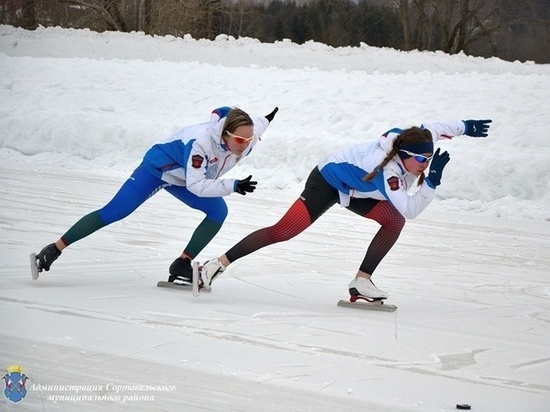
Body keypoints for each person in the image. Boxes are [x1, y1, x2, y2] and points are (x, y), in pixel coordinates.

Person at [199, 119, 492, 300]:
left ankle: (361, 282)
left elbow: (437, 127)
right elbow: (412, 209)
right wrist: (433, 183)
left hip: (356, 190)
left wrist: (466, 126)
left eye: (429, 158)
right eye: (421, 159)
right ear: (402, 156)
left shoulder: (415, 139)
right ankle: (215, 264)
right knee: (283, 232)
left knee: (393, 221)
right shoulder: (387, 174)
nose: (425, 164)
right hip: (326, 181)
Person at [32, 106, 279, 283]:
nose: (245, 144)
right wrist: (233, 185)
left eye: (250, 139)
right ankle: (54, 248)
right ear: (225, 134)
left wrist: (268, 118)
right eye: (240, 139)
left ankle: (182, 263)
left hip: (185, 177)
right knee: (114, 212)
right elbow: (197, 186)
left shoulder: (247, 137)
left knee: (218, 212)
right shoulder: (200, 144)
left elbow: (259, 123)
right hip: (157, 170)